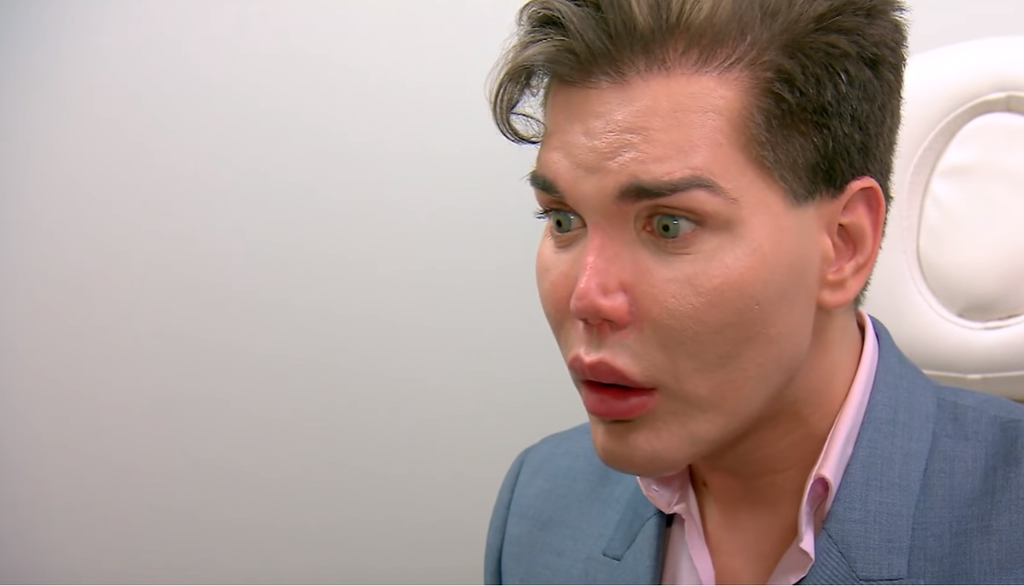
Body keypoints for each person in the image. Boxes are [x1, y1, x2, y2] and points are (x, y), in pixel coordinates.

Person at [482, 0, 1024, 584]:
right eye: (563, 220)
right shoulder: (539, 501)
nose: (586, 299)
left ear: (844, 243)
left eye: (670, 225)